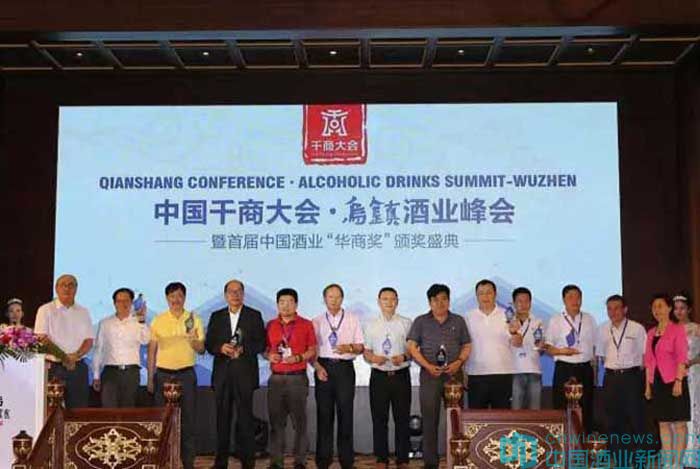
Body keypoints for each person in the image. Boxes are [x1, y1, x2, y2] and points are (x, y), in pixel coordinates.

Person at [406, 284, 471, 469]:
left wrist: (459, 362)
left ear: (449, 300)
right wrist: (427, 366)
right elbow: (411, 346)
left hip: (454, 376)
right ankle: (431, 463)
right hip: (430, 376)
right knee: (429, 419)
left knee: (456, 418)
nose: (440, 303)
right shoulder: (420, 321)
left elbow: (467, 345)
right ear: (430, 302)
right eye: (435, 300)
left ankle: (457, 460)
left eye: (444, 299)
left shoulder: (458, 320)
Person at [204, 279, 265, 469]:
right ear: (225, 295)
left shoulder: (254, 315)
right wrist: (220, 348)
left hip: (245, 375)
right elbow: (209, 344)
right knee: (222, 420)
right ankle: (220, 462)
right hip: (222, 376)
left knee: (246, 420)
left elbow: (261, 343)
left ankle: (248, 462)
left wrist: (243, 349)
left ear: (243, 294)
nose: (235, 295)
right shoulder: (216, 316)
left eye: (239, 291)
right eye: (231, 291)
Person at [148, 282, 205, 469]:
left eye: (180, 296)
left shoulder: (194, 319)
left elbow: (201, 349)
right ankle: (163, 461)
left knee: (188, 420)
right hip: (163, 375)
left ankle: (188, 463)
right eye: (172, 296)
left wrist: (193, 339)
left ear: (185, 298)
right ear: (167, 298)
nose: (176, 299)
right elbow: (152, 351)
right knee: (163, 420)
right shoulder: (158, 320)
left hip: (186, 374)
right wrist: (150, 378)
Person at [311, 283, 364, 469]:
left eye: (337, 297)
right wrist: (317, 367)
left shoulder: (352, 319)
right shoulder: (316, 321)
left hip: (344, 369)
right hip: (323, 368)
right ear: (324, 299)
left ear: (342, 298)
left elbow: (360, 347)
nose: (334, 300)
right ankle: (323, 461)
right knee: (324, 415)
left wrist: (348, 347)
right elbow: (311, 351)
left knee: (345, 415)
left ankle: (346, 461)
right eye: (330, 297)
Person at [264, 288, 316, 469]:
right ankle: (276, 462)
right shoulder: (270, 325)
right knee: (276, 423)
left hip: (297, 378)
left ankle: (300, 461)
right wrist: (269, 355)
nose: (285, 306)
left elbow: (312, 350)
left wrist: (299, 357)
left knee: (300, 423)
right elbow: (265, 349)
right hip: (276, 379)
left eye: (289, 302)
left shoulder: (306, 324)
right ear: (277, 304)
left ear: (296, 304)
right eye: (282, 302)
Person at [363, 287, 412, 469]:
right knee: (379, 419)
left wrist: (404, 357)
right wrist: (373, 358)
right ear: (379, 302)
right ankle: (381, 459)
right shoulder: (370, 324)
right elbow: (366, 351)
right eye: (385, 299)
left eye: (392, 299)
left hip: (400, 376)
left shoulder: (406, 323)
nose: (389, 302)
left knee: (402, 419)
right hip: (379, 377)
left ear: (397, 301)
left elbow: (413, 350)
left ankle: (403, 459)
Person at [595, 294, 647, 466]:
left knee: (636, 419)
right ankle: (620, 459)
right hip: (611, 378)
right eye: (609, 309)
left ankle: (639, 459)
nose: (613, 312)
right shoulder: (602, 329)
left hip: (632, 377)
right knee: (613, 420)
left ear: (625, 309)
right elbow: (600, 357)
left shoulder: (637, 329)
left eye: (617, 308)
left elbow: (644, 357)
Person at [35, 274, 95, 408]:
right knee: (51, 410)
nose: (67, 288)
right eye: (63, 285)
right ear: (56, 288)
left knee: (79, 410)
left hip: (77, 367)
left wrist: (76, 356)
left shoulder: (83, 312)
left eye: (71, 285)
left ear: (76, 289)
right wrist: (64, 357)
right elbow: (42, 339)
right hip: (53, 367)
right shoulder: (45, 310)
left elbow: (89, 340)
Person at [645, 293, 690, 469]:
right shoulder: (650, 333)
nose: (657, 310)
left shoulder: (677, 330)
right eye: (654, 307)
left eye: (661, 306)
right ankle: (668, 462)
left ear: (669, 308)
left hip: (675, 380)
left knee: (679, 423)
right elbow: (649, 361)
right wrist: (648, 386)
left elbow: (682, 358)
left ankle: (677, 463)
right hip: (657, 382)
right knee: (663, 423)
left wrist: (678, 381)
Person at [544, 284, 597, 434]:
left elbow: (595, 346)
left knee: (586, 406)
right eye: (570, 297)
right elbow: (548, 347)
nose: (575, 300)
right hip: (564, 368)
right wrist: (563, 352)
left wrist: (594, 370)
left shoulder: (589, 319)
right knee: (561, 407)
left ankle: (584, 442)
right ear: (564, 300)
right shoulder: (556, 320)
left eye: (578, 297)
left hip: (585, 369)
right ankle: (563, 441)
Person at [91, 288, 150, 407]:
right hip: (110, 372)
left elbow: (146, 340)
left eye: (126, 300)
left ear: (131, 302)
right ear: (114, 303)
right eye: (119, 301)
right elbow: (99, 350)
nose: (123, 304)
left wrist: (142, 321)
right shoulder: (105, 323)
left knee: (128, 410)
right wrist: (96, 375)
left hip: (131, 373)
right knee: (109, 410)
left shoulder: (138, 322)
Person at [464, 279, 514, 409]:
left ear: (495, 294)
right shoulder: (468, 317)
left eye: (488, 293)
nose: (485, 297)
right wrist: (464, 372)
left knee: (503, 418)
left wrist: (516, 334)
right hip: (476, 374)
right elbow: (464, 346)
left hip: (503, 373)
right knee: (477, 418)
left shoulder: (508, 315)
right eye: (481, 293)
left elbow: (517, 341)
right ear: (476, 296)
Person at [673, 293, 699, 468]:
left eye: (682, 308)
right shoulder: (670, 329)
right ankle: (678, 457)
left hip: (693, 374)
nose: (679, 312)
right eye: (676, 308)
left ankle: (693, 457)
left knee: (693, 412)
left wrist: (692, 361)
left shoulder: (696, 329)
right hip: (675, 376)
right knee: (677, 415)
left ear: (689, 309)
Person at [508, 287, 544, 410]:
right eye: (520, 301)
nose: (523, 304)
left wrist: (541, 347)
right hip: (514, 371)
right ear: (514, 303)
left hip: (534, 370)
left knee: (535, 411)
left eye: (526, 301)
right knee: (515, 411)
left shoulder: (538, 322)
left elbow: (541, 349)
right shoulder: (507, 322)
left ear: (530, 303)